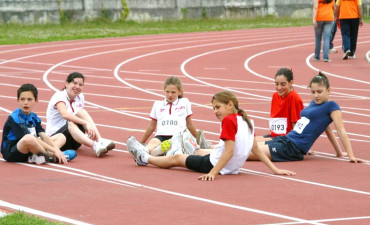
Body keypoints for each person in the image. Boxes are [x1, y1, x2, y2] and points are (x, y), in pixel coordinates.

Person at [127, 91, 296, 181]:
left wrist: (213, 173)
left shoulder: (229, 121)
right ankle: (191, 147)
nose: (215, 112)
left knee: (177, 159)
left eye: (217, 107)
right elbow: (256, 150)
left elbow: (228, 152)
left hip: (214, 165)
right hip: (231, 168)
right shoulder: (247, 120)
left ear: (230, 105)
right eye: (213, 108)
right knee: (201, 152)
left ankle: (144, 157)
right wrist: (275, 169)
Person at [249, 72, 367, 163]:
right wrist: (339, 153)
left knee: (248, 153)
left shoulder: (332, 106)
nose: (316, 95)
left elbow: (341, 131)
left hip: (292, 148)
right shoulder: (313, 103)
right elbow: (328, 130)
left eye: (319, 92)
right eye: (313, 92)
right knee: (249, 146)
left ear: (329, 90)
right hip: (286, 139)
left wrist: (350, 155)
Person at [1, 83, 75, 165]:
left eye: (29, 99)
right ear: (18, 101)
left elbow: (44, 136)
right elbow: (30, 139)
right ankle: (50, 156)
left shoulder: (34, 117)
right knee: (28, 138)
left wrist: (55, 148)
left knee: (61, 137)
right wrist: (54, 150)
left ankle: (40, 156)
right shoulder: (15, 118)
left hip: (31, 148)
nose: (25, 103)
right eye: (22, 99)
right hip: (13, 152)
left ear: (36, 101)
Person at [46, 72, 115, 157]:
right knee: (70, 124)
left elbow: (80, 115)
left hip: (73, 141)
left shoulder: (80, 97)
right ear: (67, 84)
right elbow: (65, 114)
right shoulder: (59, 96)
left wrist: (87, 126)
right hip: (58, 139)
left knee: (82, 112)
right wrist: (85, 123)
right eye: (74, 83)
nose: (77, 87)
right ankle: (95, 145)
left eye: (80, 85)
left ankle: (99, 140)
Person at [139, 76, 209, 156]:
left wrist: (199, 140)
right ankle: (142, 151)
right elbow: (151, 126)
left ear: (179, 92)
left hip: (178, 136)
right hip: (161, 135)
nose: (170, 95)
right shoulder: (157, 104)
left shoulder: (184, 102)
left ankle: (160, 151)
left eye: (173, 92)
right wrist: (141, 142)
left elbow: (189, 124)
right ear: (164, 91)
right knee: (152, 143)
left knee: (181, 150)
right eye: (167, 92)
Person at [256, 68, 304, 142]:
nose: (279, 87)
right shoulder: (275, 96)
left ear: (291, 82)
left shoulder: (294, 98)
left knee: (253, 149)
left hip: (286, 140)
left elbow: (296, 124)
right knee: (248, 143)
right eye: (276, 84)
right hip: (274, 136)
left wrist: (299, 145)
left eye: (283, 84)